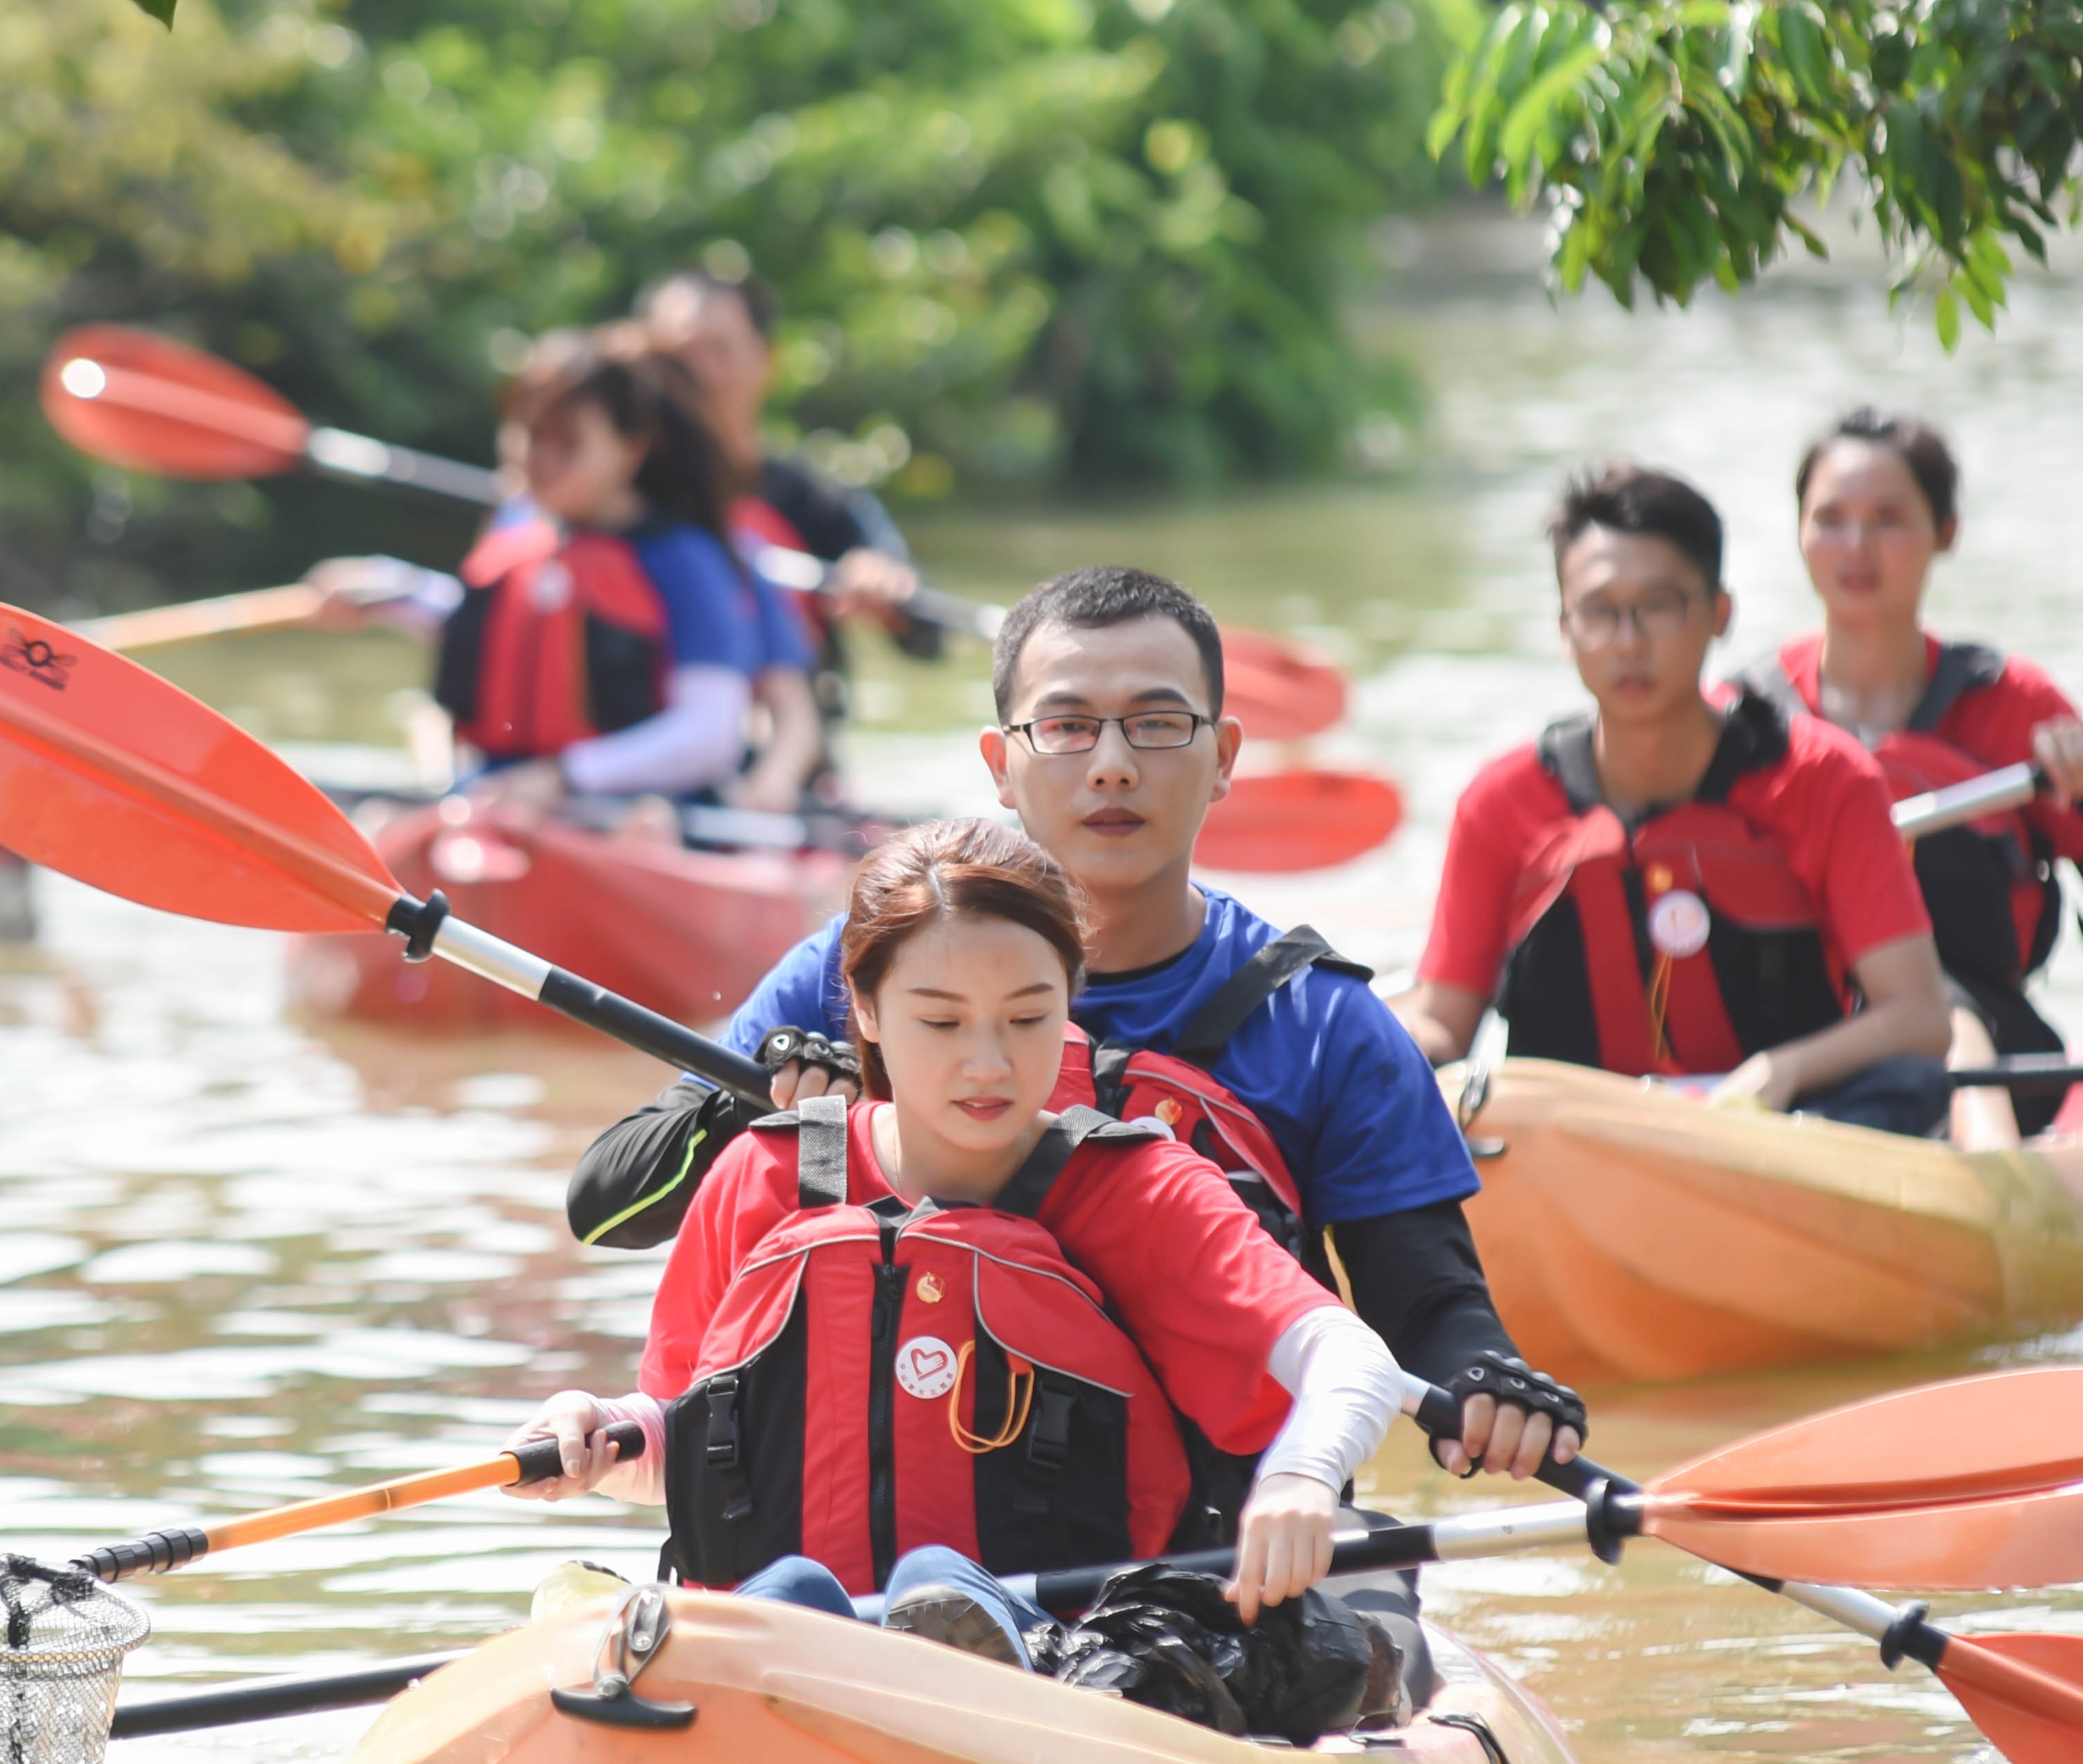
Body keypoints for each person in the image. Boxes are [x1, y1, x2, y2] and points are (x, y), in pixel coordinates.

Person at [570, 563, 1583, 1505]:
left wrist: (1487, 1384)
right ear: (999, 765)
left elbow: (1425, 1306)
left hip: (1202, 1561)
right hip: (890, 1536)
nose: (1108, 768)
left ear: (1223, 757)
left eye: (1154, 725)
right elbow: (608, 1211)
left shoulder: (1324, 1024)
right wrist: (749, 1096)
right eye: (1063, 728)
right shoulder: (864, 971)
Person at [506, 818, 1420, 1669]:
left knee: (933, 1586)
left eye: (1025, 1018)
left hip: (1065, 1661)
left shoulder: (1139, 1191)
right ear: (862, 1009)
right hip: (781, 1649)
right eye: (940, 1022)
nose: (987, 1063)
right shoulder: (761, 1175)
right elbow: (690, 1447)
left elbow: (1350, 1361)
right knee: (784, 1595)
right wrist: (601, 1434)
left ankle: (958, 1646)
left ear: (1068, 1001)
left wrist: (1301, 1478)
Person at [1400, 465, 1958, 1135]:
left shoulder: (1827, 779)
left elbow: (1919, 1018)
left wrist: (1782, 1069)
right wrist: (1344, 1045)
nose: (1628, 642)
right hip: (1564, 1155)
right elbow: (1443, 1022)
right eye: (1599, 613)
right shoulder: (1500, 802)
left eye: (1658, 606)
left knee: (1909, 1085)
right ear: (1563, 628)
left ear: (1719, 613)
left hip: (1783, 1139)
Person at [1768, 407, 2083, 1137]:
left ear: (1944, 532)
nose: (1855, 546)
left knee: (1944, 1008)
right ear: (1797, 529)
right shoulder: (1747, 716)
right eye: (1829, 517)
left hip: (1981, 1035)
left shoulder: (2013, 704)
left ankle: (1986, 1179)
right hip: (1790, 1035)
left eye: (1888, 518)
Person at [304, 339, 824, 815]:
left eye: (566, 443)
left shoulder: (685, 560)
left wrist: (564, 778)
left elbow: (710, 734)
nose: (539, 460)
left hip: (639, 810)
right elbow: (489, 630)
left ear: (631, 449)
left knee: (647, 824)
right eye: (529, 437)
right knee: (379, 820)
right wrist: (385, 591)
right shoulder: (519, 536)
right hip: (500, 794)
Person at [639, 267, 941, 698]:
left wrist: (886, 590)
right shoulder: (612, 498)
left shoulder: (816, 501)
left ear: (767, 361)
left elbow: (927, 639)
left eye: (721, 351)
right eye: (679, 357)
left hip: (790, 738)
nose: (701, 374)